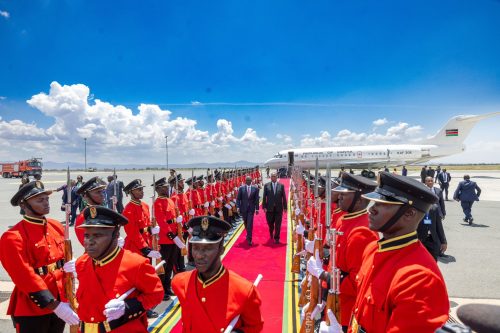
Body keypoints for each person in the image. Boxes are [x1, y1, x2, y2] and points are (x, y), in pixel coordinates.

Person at [334, 172, 449, 333]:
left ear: (409, 214)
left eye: (382, 204)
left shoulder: (419, 278)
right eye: (374, 202)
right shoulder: (373, 249)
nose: (371, 209)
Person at [0, 181, 79, 333]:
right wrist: (55, 305)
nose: (46, 203)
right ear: (23, 206)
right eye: (39, 200)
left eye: (46, 199)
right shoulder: (12, 237)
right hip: (33, 307)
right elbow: (24, 276)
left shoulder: (56, 226)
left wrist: (76, 265)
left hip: (61, 300)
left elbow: (64, 258)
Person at [71, 206, 163, 332]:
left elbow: (156, 294)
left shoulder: (135, 264)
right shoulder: (82, 263)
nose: (89, 241)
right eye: (87, 235)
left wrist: (127, 307)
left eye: (97, 235)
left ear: (115, 235)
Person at [306, 172, 379, 332]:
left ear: (359, 200)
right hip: (333, 297)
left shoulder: (362, 231)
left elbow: (355, 283)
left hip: (344, 309)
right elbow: (334, 259)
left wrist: (322, 275)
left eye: (345, 194)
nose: (339, 196)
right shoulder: (344, 219)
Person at [172, 216, 264, 332]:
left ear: (221, 249)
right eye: (196, 247)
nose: (199, 255)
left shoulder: (244, 291)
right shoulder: (180, 283)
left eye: (208, 248)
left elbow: (255, 327)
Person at [153, 177, 184, 301]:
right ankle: (161, 289)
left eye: (167, 186)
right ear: (158, 189)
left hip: (174, 237)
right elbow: (162, 222)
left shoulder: (170, 200)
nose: (167, 188)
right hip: (166, 240)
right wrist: (173, 236)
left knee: (171, 264)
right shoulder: (157, 203)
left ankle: (167, 286)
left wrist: (179, 223)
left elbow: (174, 218)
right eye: (164, 187)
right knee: (164, 265)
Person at [74, 176, 108, 246]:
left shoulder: (103, 211)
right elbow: (88, 245)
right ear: (86, 196)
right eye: (98, 192)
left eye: (102, 191)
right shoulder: (83, 217)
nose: (102, 195)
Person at [262, 172, 287, 243]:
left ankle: (277, 238)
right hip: (269, 209)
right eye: (272, 176)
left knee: (278, 224)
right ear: (270, 177)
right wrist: (264, 207)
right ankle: (271, 232)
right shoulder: (266, 186)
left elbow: (284, 197)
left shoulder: (281, 186)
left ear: (277, 177)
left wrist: (285, 207)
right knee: (270, 223)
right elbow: (264, 197)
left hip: (279, 208)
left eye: (275, 176)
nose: (273, 177)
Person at [236, 176, 260, 246]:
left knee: (249, 224)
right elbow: (238, 199)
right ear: (245, 181)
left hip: (251, 209)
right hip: (243, 209)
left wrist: (257, 208)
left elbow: (256, 200)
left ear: (251, 181)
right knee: (246, 223)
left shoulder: (255, 189)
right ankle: (248, 232)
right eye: (247, 180)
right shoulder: (241, 188)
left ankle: (249, 239)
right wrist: (238, 207)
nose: (248, 181)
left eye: (249, 180)